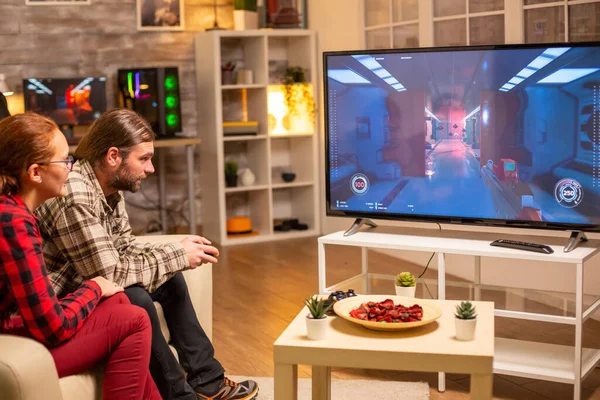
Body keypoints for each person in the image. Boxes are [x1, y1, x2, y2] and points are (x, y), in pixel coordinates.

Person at [36, 108, 259, 400]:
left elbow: (124, 245)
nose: (151, 168)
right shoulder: (76, 196)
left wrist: (176, 248)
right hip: (64, 298)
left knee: (170, 279)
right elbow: (109, 273)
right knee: (136, 298)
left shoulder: (108, 187)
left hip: (89, 279)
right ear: (113, 156)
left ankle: (208, 382)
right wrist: (177, 255)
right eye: (144, 159)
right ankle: (179, 396)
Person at [0, 112, 161, 400]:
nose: (71, 170)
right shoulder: (12, 222)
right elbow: (52, 327)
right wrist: (95, 287)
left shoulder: (12, 211)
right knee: (134, 319)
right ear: (35, 172)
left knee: (122, 300)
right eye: (65, 161)